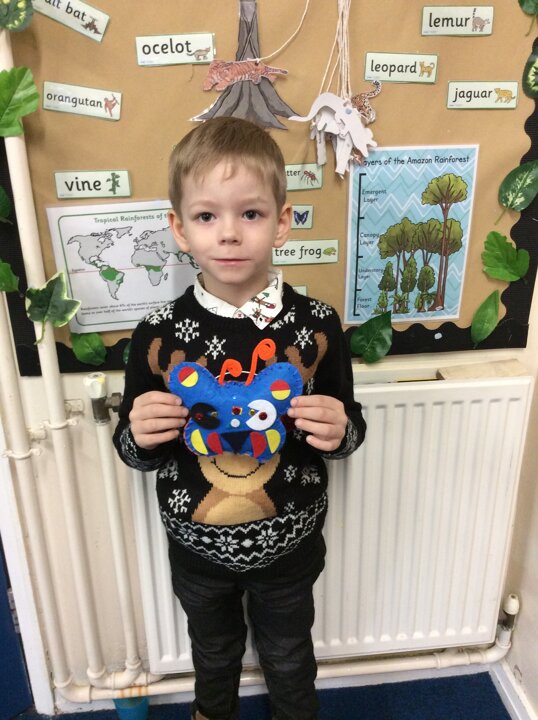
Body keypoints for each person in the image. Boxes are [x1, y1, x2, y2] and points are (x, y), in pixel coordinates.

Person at [113, 116, 366, 720]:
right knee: (213, 651)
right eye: (207, 216)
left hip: (290, 547)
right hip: (195, 549)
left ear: (282, 221)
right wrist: (138, 435)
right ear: (180, 228)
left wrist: (340, 432)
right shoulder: (157, 333)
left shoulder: (318, 325)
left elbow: (349, 424)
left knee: (289, 654)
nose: (228, 233)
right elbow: (132, 447)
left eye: (250, 213)